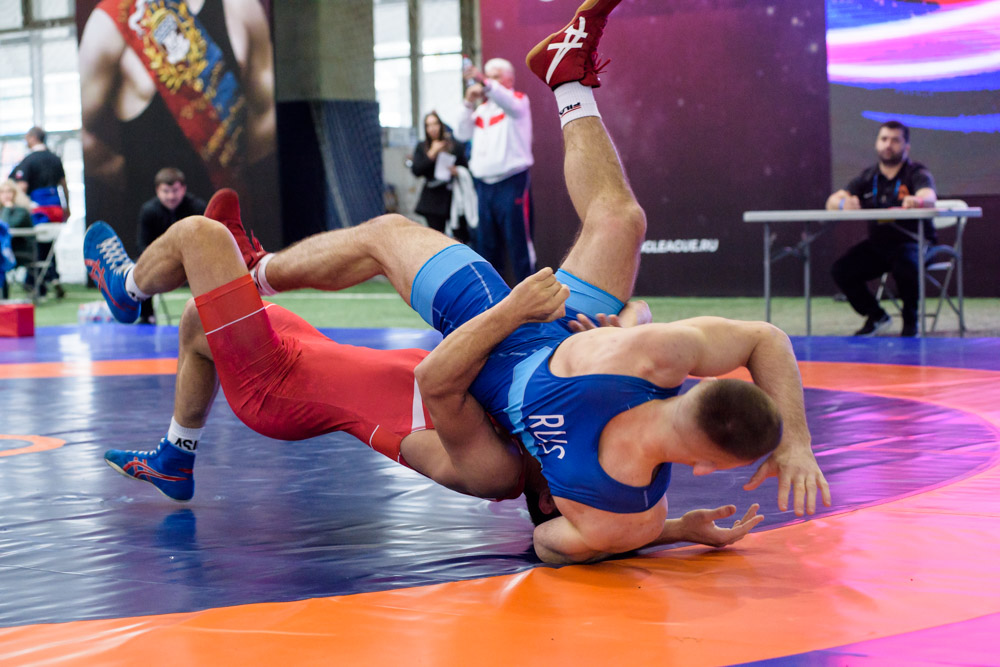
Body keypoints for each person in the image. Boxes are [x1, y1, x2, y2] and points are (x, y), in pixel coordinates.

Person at [88, 0, 829, 564]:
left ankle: (153, 288)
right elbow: (760, 339)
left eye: (556, 500)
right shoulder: (640, 413)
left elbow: (443, 385)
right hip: (528, 339)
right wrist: (742, 477)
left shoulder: (510, 475)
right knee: (619, 221)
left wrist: (656, 528)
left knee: (209, 244)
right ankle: (568, 77)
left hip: (403, 360)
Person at [78, 0, 278, 254]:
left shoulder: (241, 6)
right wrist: (133, 175)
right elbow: (84, 135)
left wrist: (236, 177)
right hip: (157, 225)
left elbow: (266, 113)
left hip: (229, 223)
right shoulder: (111, 22)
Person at [827, 121, 937, 337]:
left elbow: (929, 196)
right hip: (879, 245)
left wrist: (918, 201)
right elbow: (832, 201)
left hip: (914, 242)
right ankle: (876, 315)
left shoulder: (916, 172)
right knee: (841, 270)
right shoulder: (869, 176)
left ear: (906, 147)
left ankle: (910, 323)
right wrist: (842, 204)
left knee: (906, 265)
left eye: (895, 140)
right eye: (884, 139)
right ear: (877, 143)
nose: (888, 145)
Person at [454, 56, 535, 283]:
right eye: (487, 77)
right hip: (484, 186)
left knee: (519, 244)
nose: (488, 82)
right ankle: (494, 297)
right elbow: (461, 134)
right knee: (487, 246)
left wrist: (484, 81)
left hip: (511, 182)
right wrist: (467, 103)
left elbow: (508, 102)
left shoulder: (518, 101)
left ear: (510, 79)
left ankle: (533, 295)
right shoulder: (481, 110)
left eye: (495, 77)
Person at [136, 167, 207, 323]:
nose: (171, 196)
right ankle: (146, 315)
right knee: (138, 266)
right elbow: (142, 245)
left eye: (175, 190)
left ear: (183, 189)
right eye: (166, 191)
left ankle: (210, 314)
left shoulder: (198, 208)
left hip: (194, 261)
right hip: (161, 262)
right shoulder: (148, 211)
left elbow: (206, 242)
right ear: (157, 191)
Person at [411, 111, 469, 242]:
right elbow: (416, 171)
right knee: (437, 238)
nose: (433, 128)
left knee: (459, 237)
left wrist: (457, 171)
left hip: (453, 197)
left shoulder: (454, 146)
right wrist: (432, 153)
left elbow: (465, 167)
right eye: (428, 125)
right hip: (432, 201)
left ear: (441, 125)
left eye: (435, 124)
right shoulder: (422, 147)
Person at [9, 126, 69, 223]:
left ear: (33, 138)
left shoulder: (28, 161)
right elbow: (64, 185)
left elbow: (22, 187)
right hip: (56, 208)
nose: (26, 141)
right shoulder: (55, 159)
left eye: (27, 138)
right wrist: (67, 208)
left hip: (37, 210)